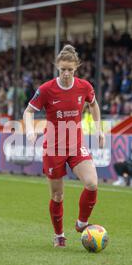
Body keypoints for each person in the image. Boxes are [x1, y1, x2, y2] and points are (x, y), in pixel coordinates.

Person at [23, 44, 105, 248]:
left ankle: (81, 223)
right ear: (57, 68)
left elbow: (93, 104)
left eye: (70, 69)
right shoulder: (46, 89)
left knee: (92, 183)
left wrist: (99, 129)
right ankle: (59, 235)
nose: (66, 73)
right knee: (57, 195)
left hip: (76, 145)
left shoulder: (84, 87)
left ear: (76, 67)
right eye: (63, 70)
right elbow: (28, 111)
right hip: (53, 148)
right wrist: (30, 130)